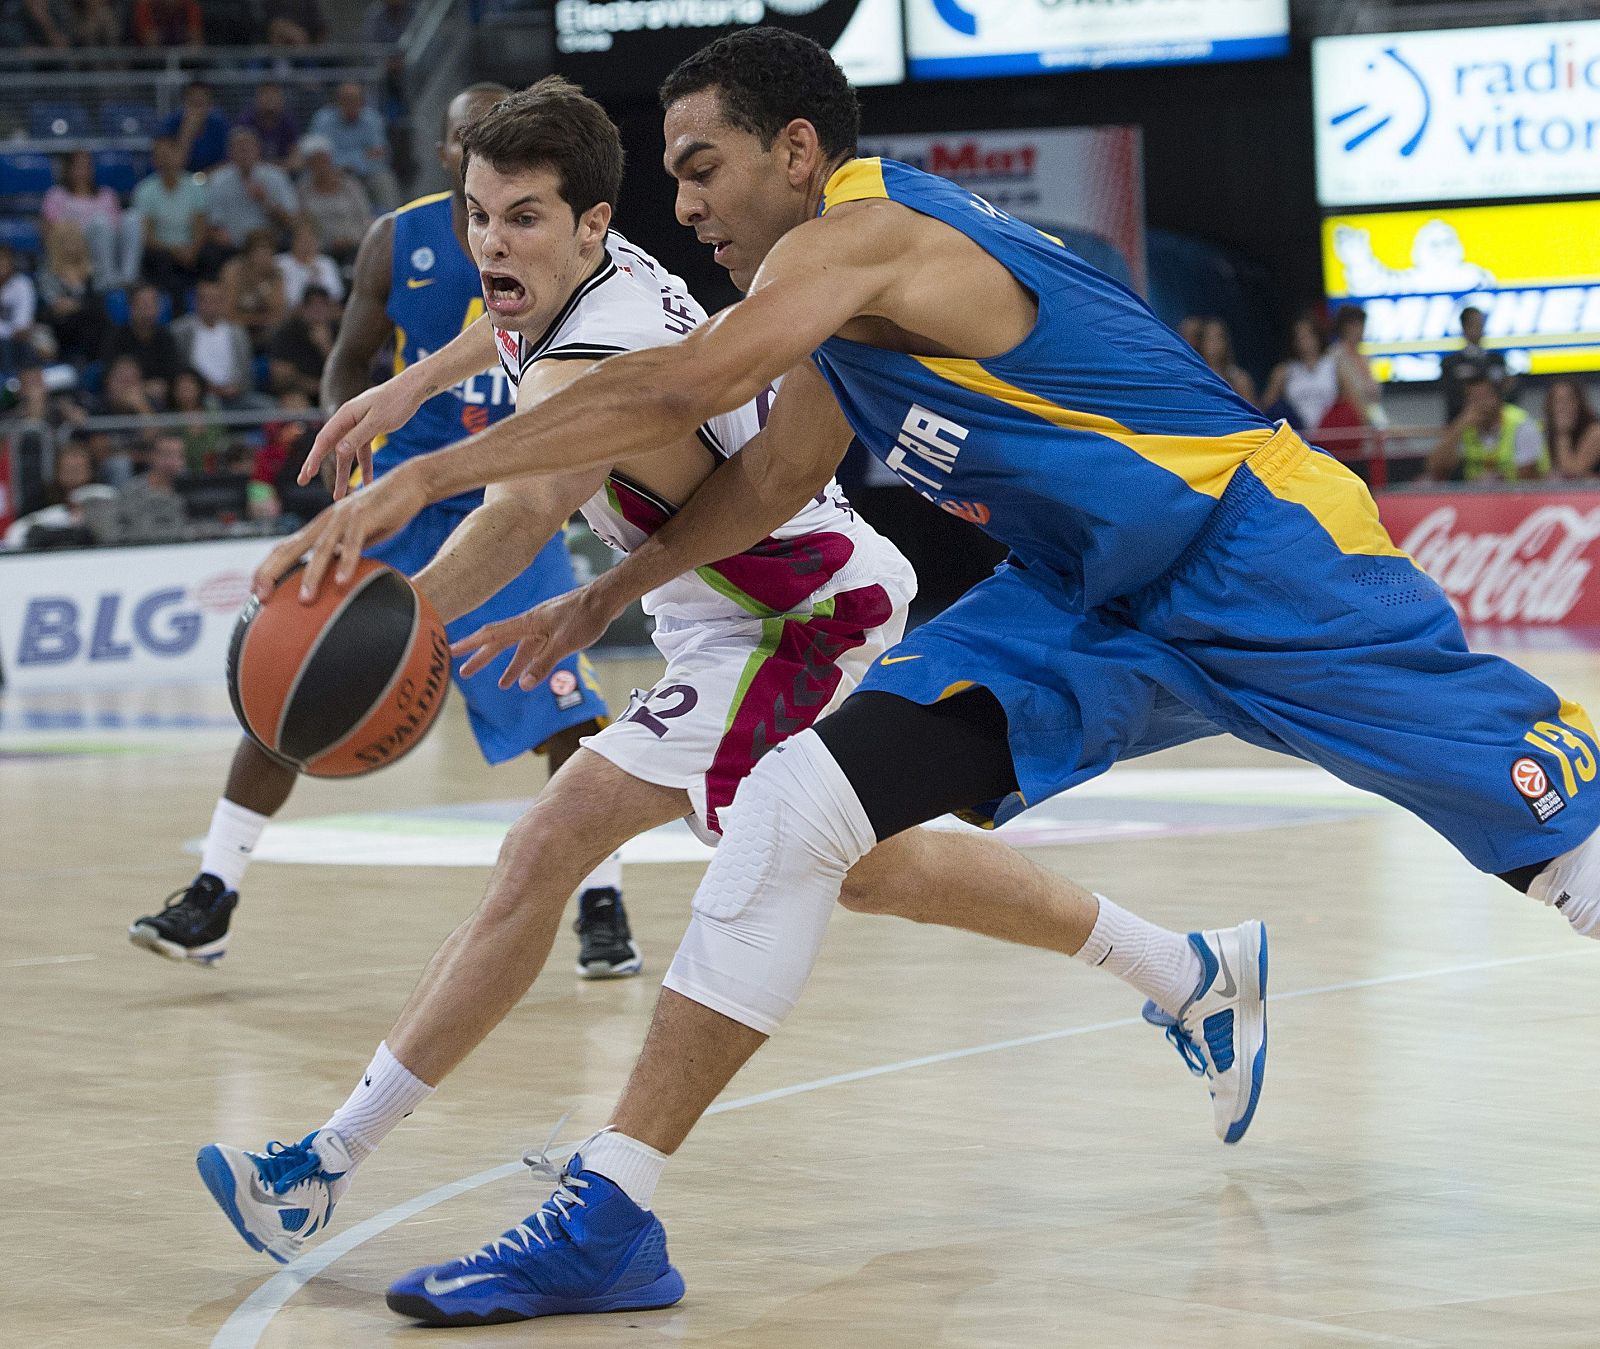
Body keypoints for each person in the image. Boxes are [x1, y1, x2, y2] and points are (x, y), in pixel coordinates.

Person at [247, 30, 1600, 1325]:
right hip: (1079, 600)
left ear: (792, 150)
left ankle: (1200, 964)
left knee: (1563, 844)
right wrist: (608, 591)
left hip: (1255, 547)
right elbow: (773, 475)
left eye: (700, 165)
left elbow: (675, 392)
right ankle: (611, 1212)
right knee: (796, 810)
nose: (682, 199)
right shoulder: (833, 305)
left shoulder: (870, 234)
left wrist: (424, 471)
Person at [199, 72, 1258, 1321]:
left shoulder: (583, 360)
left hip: (795, 610)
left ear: (591, 225)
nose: (493, 242)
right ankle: (1189, 968)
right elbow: (499, 332)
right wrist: (412, 386)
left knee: (574, 843)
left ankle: (336, 1164)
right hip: (728, 607)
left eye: (524, 219)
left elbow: (523, 507)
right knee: (870, 865)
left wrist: (398, 623)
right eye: (478, 217)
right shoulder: (571, 274)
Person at [128, 83, 627, 976]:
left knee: (566, 705)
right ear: (448, 155)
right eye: (469, 143)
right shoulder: (396, 240)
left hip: (513, 492)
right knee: (289, 673)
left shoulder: (564, 241)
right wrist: (347, 433)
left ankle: (602, 902)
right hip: (401, 492)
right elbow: (347, 362)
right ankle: (213, 890)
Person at [41, 149, 141, 290]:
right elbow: (51, 232)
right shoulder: (57, 195)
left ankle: (129, 277)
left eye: (87, 166)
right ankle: (107, 280)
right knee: (99, 222)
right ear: (68, 169)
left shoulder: (107, 194)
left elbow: (118, 227)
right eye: (78, 166)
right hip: (76, 249)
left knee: (132, 217)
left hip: (110, 245)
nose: (83, 171)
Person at [1425, 374, 1548, 483]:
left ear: (1498, 399)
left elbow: (1529, 477)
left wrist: (1496, 481)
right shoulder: (1465, 424)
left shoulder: (1521, 424)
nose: (1480, 404)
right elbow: (1436, 467)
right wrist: (1459, 427)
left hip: (1514, 497)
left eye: (1485, 397)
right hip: (1475, 499)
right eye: (1473, 398)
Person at [132, 136, 209, 300]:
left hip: (191, 250)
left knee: (211, 255)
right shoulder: (144, 190)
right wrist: (174, 251)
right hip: (161, 252)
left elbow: (201, 226)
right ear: (154, 160)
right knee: (159, 261)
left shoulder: (195, 187)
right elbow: (147, 236)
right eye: (161, 155)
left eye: (170, 154)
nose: (166, 160)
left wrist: (192, 250)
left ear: (180, 156)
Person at [309, 81, 400, 214]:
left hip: (369, 173)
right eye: (346, 100)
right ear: (337, 101)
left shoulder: (372, 119)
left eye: (355, 100)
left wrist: (349, 163)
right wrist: (359, 157)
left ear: (362, 102)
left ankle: (393, 224)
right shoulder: (323, 120)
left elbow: (380, 154)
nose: (351, 104)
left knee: (384, 180)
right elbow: (317, 155)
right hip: (334, 173)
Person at [206, 127, 298, 250]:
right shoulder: (218, 180)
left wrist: (266, 201)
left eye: (248, 148)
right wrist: (223, 238)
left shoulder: (276, 176)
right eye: (239, 149)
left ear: (258, 149)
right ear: (230, 152)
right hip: (233, 246)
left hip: (271, 245)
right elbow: (215, 222)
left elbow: (291, 220)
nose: (244, 153)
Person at [170, 278, 256, 408]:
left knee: (268, 408)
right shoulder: (180, 331)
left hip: (234, 396)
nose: (211, 305)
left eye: (216, 300)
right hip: (198, 399)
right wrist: (205, 388)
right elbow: (178, 369)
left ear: (223, 302)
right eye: (206, 300)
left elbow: (246, 371)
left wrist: (236, 387)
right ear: (197, 302)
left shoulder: (238, 333)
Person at [35, 220, 106, 364]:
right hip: (57, 325)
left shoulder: (93, 271)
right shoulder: (47, 273)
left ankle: (92, 365)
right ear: (56, 244)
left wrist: (76, 305)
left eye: (75, 240)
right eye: (66, 241)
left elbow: (99, 303)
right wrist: (63, 306)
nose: (72, 245)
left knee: (97, 321)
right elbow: (49, 306)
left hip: (86, 325)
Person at [99, 281, 183, 402]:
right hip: (120, 401)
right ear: (131, 307)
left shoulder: (166, 338)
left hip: (160, 400)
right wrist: (143, 388)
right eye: (144, 304)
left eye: (153, 303)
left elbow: (172, 377)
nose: (149, 310)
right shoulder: (115, 337)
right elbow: (109, 376)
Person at [295, 134, 373, 264]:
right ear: (308, 165)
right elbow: (305, 225)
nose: (321, 165)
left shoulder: (351, 186)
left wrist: (354, 239)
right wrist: (327, 243)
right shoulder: (302, 192)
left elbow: (365, 217)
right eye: (315, 162)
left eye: (323, 160)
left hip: (356, 246)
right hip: (322, 251)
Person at [1260, 314, 1336, 434]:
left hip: (1329, 429)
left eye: (1309, 335)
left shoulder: (1333, 365)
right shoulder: (1284, 370)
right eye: (1300, 337)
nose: (1305, 342)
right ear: (1294, 341)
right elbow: (1266, 407)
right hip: (1297, 429)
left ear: (1318, 336)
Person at [219, 228, 288, 350]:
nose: (263, 257)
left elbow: (279, 315)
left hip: (264, 331)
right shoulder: (233, 271)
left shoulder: (276, 275)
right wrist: (258, 319)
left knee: (282, 331)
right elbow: (228, 313)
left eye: (268, 252)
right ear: (248, 253)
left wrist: (262, 286)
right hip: (237, 329)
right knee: (236, 331)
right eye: (259, 252)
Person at [115, 432, 190, 544]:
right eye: (167, 455)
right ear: (153, 456)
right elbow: (129, 531)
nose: (172, 462)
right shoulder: (132, 491)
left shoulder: (192, 488)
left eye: (178, 456)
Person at [1439, 305, 1508, 424]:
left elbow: (1506, 391)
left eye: (1481, 324)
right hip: (1462, 424)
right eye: (1474, 324)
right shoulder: (1450, 363)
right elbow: (1452, 396)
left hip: (1496, 423)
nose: (1479, 328)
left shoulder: (1497, 360)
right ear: (1464, 327)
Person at [267, 282, 336, 398]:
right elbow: (280, 376)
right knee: (295, 401)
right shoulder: (286, 333)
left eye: (323, 305)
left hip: (333, 391)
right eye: (312, 305)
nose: (317, 311)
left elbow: (347, 373)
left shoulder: (338, 330)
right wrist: (318, 387)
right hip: (298, 392)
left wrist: (325, 346)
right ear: (302, 308)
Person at [160, 81, 230, 173]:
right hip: (180, 179)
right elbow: (172, 165)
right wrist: (187, 133)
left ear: (209, 106)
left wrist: (203, 177)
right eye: (192, 103)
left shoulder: (219, 125)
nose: (195, 110)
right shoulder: (170, 124)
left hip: (212, 178)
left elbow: (227, 161)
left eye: (200, 104)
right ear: (184, 103)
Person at [276, 216, 342, 306]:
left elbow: (336, 293)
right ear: (293, 241)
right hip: (292, 314)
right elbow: (288, 297)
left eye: (310, 238)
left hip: (323, 312)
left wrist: (316, 276)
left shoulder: (327, 263)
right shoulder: (280, 263)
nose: (306, 243)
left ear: (317, 242)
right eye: (302, 239)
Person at [1545, 379, 1600, 481]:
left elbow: (1572, 473)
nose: (1562, 407)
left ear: (1579, 403)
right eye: (1557, 401)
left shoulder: (1595, 431)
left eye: (1568, 400)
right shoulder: (1548, 431)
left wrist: (1563, 433)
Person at [236, 80, 301, 166]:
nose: (269, 99)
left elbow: (296, 160)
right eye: (265, 94)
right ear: (257, 99)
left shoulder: (288, 121)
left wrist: (272, 169)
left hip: (282, 172)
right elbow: (240, 157)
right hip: (251, 171)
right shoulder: (246, 121)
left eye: (274, 94)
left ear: (281, 99)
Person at [1194, 315, 1255, 405]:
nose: (1215, 344)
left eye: (1219, 338)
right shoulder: (1194, 376)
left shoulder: (1239, 379)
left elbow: (1254, 414)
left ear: (1226, 342)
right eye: (1210, 338)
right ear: (1201, 343)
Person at [130, 0, 200, 46]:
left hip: (183, 58)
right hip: (151, 60)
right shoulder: (145, 5)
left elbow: (196, 42)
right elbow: (149, 41)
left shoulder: (189, 5)